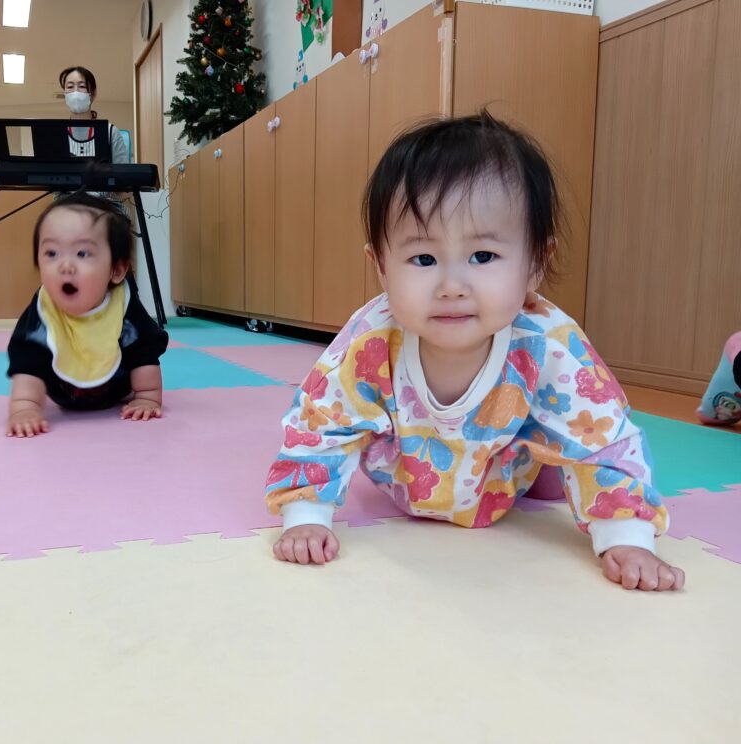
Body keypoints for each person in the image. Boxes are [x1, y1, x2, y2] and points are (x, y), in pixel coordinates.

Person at [265, 111, 685, 592]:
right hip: (402, 483)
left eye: (483, 257)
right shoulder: (370, 341)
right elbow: (320, 424)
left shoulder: (547, 343)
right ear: (381, 267)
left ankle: (549, 467)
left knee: (569, 440)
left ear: (534, 266)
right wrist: (306, 515)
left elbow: (605, 438)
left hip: (503, 477)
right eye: (422, 259)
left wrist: (626, 536)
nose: (451, 286)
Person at [6, 192, 167, 437]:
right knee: (34, 351)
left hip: (115, 386)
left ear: (116, 270)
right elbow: (28, 359)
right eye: (51, 253)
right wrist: (24, 408)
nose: (65, 266)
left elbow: (144, 351)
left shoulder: (123, 307)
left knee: (138, 350)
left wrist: (148, 397)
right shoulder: (43, 312)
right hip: (62, 390)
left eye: (82, 253)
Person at [58, 66, 130, 164]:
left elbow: (124, 174)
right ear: (65, 94)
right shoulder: (57, 133)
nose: (75, 92)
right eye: (70, 87)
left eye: (82, 86)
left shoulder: (110, 132)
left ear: (93, 93)